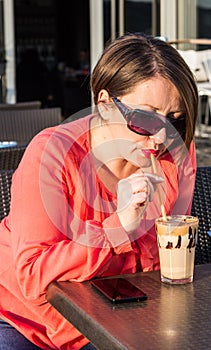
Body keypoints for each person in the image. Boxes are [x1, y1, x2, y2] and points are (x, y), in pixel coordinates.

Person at [0, 33, 198, 349]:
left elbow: (156, 266)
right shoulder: (52, 154)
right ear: (105, 104)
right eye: (144, 119)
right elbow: (34, 278)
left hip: (113, 319)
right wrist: (118, 228)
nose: (161, 138)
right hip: (24, 321)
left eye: (176, 120)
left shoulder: (174, 155)